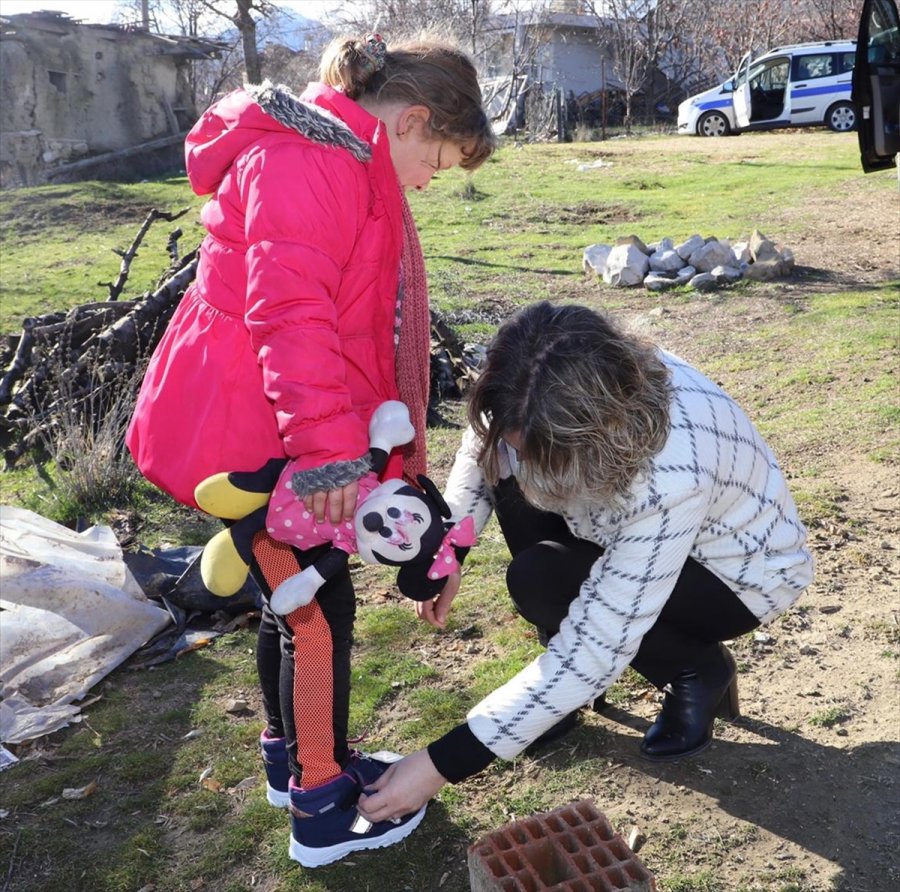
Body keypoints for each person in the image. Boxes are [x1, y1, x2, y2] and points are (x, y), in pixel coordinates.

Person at [126, 33, 495, 867]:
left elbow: (349, 325)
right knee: (318, 611)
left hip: (264, 423)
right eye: (442, 157)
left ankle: (289, 762)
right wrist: (333, 456)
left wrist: (378, 456)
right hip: (249, 431)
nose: (433, 178)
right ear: (412, 121)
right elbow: (291, 320)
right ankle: (323, 809)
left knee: (288, 598)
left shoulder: (341, 162)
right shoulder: (310, 164)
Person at [355, 300, 814, 823]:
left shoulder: (669, 478)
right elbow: (483, 441)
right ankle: (556, 696)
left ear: (597, 435)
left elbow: (599, 641)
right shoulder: (543, 375)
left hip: (737, 573)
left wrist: (439, 764)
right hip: (609, 515)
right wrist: (448, 549)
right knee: (524, 513)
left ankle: (696, 669)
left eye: (534, 454)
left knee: (541, 579)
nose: (516, 463)